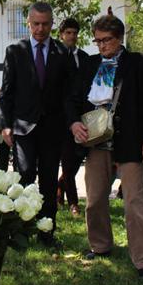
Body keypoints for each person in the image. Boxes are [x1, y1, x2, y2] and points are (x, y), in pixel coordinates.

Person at [68, 14, 143, 279]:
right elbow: (72, 99)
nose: (101, 46)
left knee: (134, 202)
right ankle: (101, 246)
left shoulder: (139, 62)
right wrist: (74, 123)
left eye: (106, 40)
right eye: (97, 41)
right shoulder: (89, 64)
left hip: (130, 140)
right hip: (96, 142)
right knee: (95, 200)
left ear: (119, 38)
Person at [0, 2, 72, 247]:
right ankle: (21, 231)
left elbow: (69, 93)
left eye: (45, 24)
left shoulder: (63, 53)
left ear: (52, 24)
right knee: (25, 175)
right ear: (28, 23)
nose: (40, 29)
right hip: (22, 126)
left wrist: (70, 123)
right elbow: (6, 93)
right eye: (36, 24)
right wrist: (5, 125)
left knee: (49, 180)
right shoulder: (15, 51)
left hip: (52, 129)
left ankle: (47, 231)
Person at [55, 18, 89, 217]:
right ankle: (73, 203)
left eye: (74, 33)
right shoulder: (55, 56)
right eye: (68, 32)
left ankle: (61, 187)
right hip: (61, 117)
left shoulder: (84, 57)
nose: (72, 36)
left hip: (82, 115)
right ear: (61, 34)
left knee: (78, 158)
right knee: (67, 160)